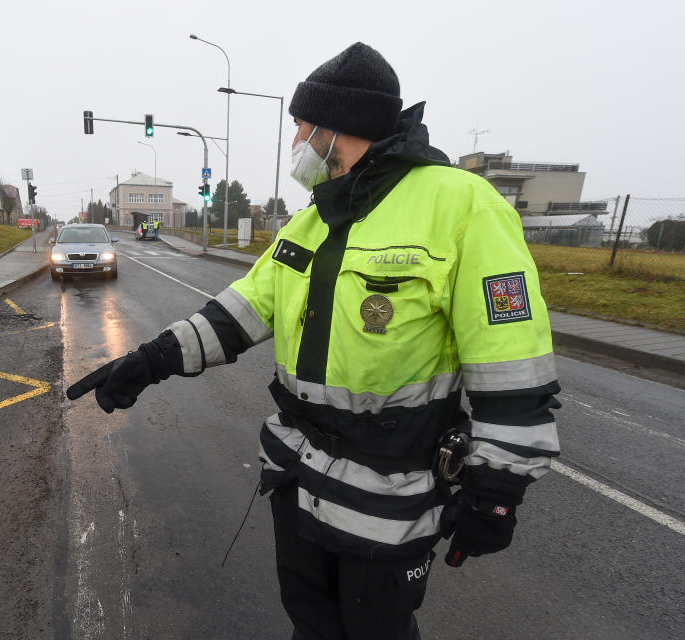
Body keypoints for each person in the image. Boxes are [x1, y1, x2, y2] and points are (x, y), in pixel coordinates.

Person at [67, 42, 560, 640]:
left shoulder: (463, 206)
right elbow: (240, 314)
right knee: (312, 627)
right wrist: (148, 362)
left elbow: (513, 366)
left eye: (301, 125)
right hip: (297, 480)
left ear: (336, 126)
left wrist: (499, 488)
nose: (296, 138)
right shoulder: (313, 219)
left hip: (389, 497)